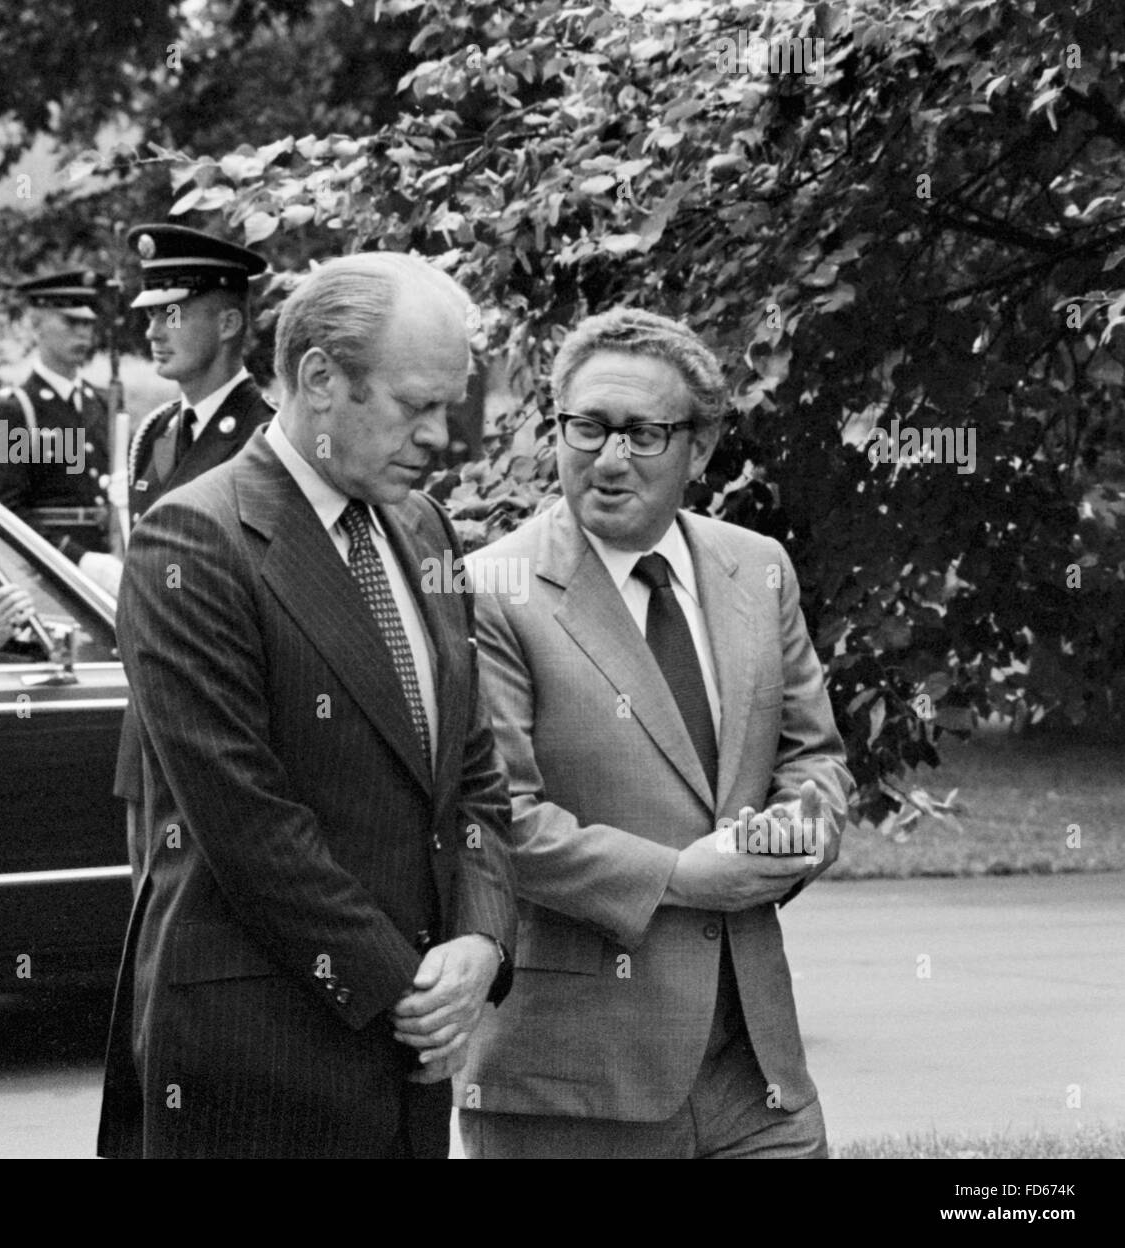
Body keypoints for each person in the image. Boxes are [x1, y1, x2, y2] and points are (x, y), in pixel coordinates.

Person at [96, 251, 517, 1159]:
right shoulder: (195, 539)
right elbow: (247, 822)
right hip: (258, 1061)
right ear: (320, 378)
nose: (443, 435)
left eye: (450, 405)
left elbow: (474, 771)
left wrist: (481, 944)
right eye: (416, 405)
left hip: (411, 1059)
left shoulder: (424, 524)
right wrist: (407, 987)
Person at [457, 307, 854, 1159]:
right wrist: (681, 876)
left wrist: (798, 829)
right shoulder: (492, 589)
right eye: (587, 427)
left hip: (759, 1071)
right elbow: (500, 821)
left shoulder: (760, 567)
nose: (609, 458)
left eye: (642, 433)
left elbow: (814, 757)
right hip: (574, 1081)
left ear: (699, 451)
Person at [111, 223, 272, 888]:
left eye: (172, 313)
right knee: (146, 919)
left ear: (230, 320)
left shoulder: (263, 439)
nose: (154, 330)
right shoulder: (156, 433)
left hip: (222, 728)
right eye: (149, 314)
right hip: (147, 727)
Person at [0, 271, 117, 590]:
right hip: (49, 574)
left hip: (110, 566)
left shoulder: (102, 403)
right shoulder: (15, 409)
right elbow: (0, 509)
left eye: (88, 324)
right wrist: (76, 557)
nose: (83, 334)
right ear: (37, 324)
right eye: (71, 323)